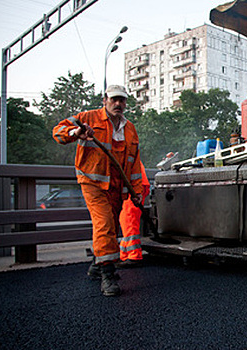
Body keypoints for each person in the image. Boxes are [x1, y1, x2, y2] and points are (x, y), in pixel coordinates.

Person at [53, 85, 144, 297]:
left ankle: (97, 262)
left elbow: (133, 162)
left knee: (109, 225)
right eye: (114, 99)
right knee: (104, 224)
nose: (118, 104)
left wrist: (136, 191)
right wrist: (76, 132)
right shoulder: (88, 118)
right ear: (105, 100)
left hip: (117, 188)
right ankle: (108, 274)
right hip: (93, 182)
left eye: (122, 100)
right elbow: (58, 132)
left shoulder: (129, 128)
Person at [118, 162, 151, 266]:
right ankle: (125, 254)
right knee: (125, 221)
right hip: (132, 185)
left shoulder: (121, 149)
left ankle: (134, 255)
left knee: (129, 220)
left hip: (133, 187)